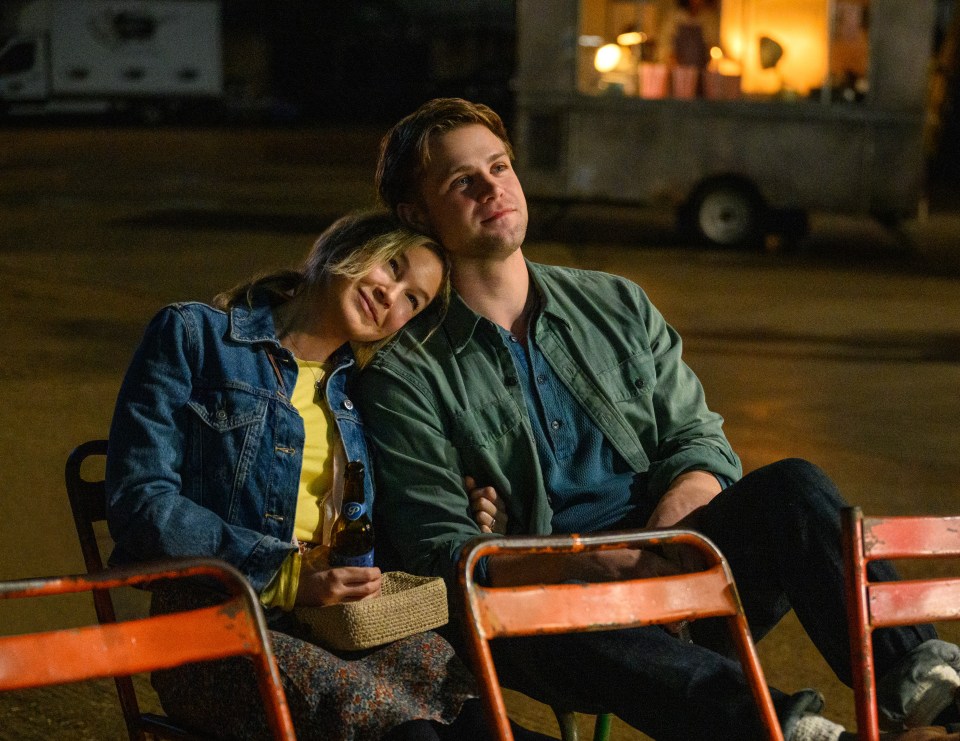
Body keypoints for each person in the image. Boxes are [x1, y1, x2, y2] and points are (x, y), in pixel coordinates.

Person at [355, 98, 960, 741]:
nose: (493, 188)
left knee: (795, 487)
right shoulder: (405, 371)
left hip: (677, 554)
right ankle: (784, 729)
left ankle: (918, 679)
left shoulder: (617, 303)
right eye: (462, 181)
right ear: (416, 214)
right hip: (548, 607)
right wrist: (583, 565)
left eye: (499, 166)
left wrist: (661, 546)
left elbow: (697, 441)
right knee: (559, 615)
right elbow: (441, 549)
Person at [105, 210, 552, 741]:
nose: (392, 296)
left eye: (413, 299)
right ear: (344, 246)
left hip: (337, 627)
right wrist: (287, 575)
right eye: (392, 268)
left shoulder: (360, 396)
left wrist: (459, 504)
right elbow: (139, 502)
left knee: (477, 713)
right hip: (208, 632)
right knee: (404, 729)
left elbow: (374, 532)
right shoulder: (195, 336)